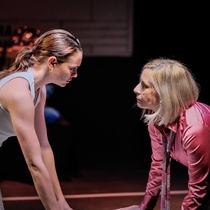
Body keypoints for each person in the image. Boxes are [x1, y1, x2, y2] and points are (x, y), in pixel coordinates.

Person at [0, 28, 83, 210]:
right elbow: (34, 164)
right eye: (72, 69)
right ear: (52, 62)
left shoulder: (39, 89)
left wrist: (61, 203)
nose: (75, 75)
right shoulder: (20, 92)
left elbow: (44, 147)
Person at [115, 58, 210, 210]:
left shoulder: (195, 128)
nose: (136, 89)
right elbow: (159, 167)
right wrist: (144, 208)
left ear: (165, 92)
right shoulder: (156, 124)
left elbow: (199, 190)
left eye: (145, 86)